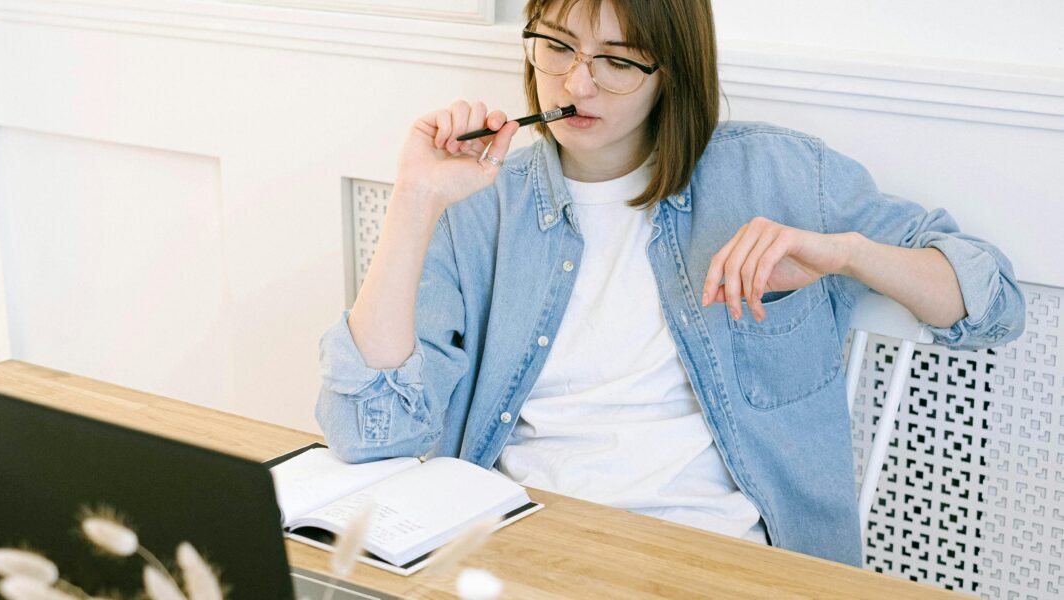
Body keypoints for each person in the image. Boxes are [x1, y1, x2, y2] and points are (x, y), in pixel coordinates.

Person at [315, 0, 1025, 567]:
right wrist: (414, 200)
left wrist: (846, 255)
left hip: (716, 559)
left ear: (672, 72)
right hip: (521, 546)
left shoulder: (777, 175)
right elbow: (368, 433)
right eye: (557, 47)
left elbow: (993, 303)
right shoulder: (483, 204)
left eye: (618, 61)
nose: (577, 84)